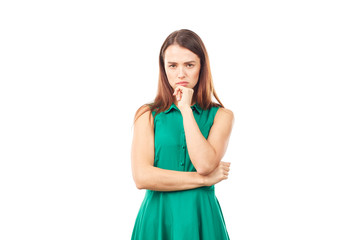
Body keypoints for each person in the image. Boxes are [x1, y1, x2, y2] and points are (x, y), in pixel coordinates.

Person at [131, 29, 234, 240]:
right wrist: (204, 180)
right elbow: (142, 177)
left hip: (201, 217)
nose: (180, 74)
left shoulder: (222, 116)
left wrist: (186, 109)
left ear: (201, 67)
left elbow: (205, 163)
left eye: (189, 65)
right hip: (158, 218)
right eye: (173, 65)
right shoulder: (147, 115)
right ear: (164, 69)